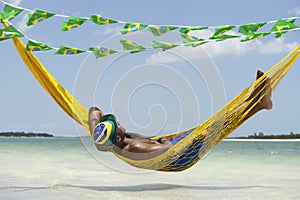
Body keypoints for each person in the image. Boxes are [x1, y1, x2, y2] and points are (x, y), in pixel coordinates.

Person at [88, 70, 272, 159]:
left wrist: (98, 134)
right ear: (118, 138)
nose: (119, 122)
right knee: (218, 125)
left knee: (218, 121)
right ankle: (259, 103)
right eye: (116, 124)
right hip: (181, 155)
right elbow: (168, 150)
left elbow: (93, 110)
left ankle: (255, 101)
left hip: (177, 146)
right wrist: (165, 141)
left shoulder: (111, 141)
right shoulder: (133, 147)